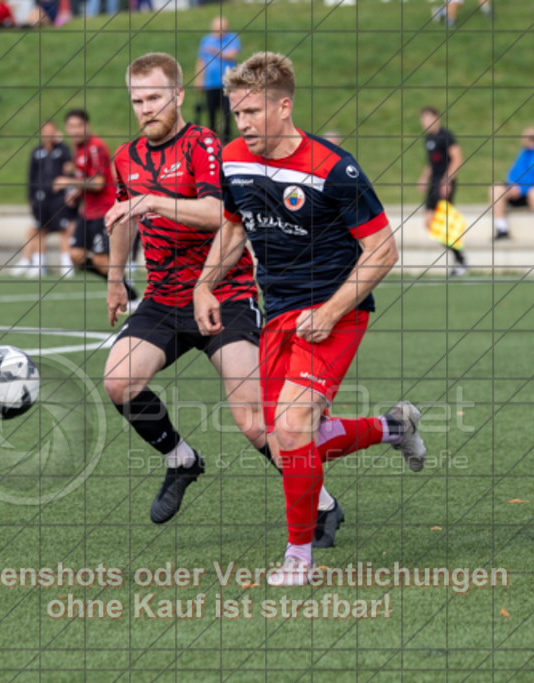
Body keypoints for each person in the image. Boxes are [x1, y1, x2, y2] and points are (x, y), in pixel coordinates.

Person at [195, 52, 427, 586]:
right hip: (278, 313)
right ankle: (395, 427)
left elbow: (382, 251)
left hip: (335, 310)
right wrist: (204, 284)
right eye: (237, 113)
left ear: (284, 106)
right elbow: (233, 229)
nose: (242, 123)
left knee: (295, 425)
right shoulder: (232, 159)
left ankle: (298, 556)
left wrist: (330, 311)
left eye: (252, 111)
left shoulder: (334, 168)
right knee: (287, 441)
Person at [103, 52, 344, 542]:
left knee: (253, 421)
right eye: (137, 101)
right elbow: (123, 217)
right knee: (119, 382)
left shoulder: (205, 145)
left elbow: (219, 214)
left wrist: (153, 201)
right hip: (163, 299)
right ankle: (181, 460)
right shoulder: (125, 158)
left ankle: (322, 504)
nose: (146, 109)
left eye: (154, 98)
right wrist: (113, 277)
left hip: (223, 294)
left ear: (177, 96)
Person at [55, 109, 138, 301]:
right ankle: (119, 281)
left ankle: (130, 295)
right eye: (71, 126)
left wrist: (68, 182)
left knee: (101, 260)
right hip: (87, 212)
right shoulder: (78, 149)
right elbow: (86, 179)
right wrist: (76, 193)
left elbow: (99, 183)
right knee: (76, 255)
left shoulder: (96, 147)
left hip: (103, 211)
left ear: (87, 126)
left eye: (79, 126)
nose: (75, 130)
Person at [18, 120, 74, 276]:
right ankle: (39, 264)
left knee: (64, 229)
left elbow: (70, 167)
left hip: (58, 198)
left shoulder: (62, 150)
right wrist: (31, 197)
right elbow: (31, 176)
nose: (48, 135)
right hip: (41, 199)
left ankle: (66, 264)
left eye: (51, 132)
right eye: (46, 132)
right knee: (40, 230)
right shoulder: (36, 152)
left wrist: (61, 143)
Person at [417, 106, 466, 275]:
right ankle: (460, 257)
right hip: (434, 183)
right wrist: (424, 178)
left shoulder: (446, 136)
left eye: (428, 118)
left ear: (437, 118)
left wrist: (447, 179)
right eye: (423, 119)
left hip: (444, 183)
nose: (425, 122)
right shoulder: (428, 139)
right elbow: (432, 163)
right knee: (429, 222)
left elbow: (457, 158)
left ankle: (460, 260)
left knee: (444, 222)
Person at [491, 127, 534, 242]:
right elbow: (512, 173)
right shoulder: (524, 152)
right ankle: (502, 229)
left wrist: (522, 189)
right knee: (496, 188)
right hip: (520, 193)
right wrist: (512, 186)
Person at [195, 16, 240, 143]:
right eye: (217, 29)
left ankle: (227, 139)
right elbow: (201, 61)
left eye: (222, 28)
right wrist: (199, 79)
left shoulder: (232, 38)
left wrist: (215, 51)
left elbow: (232, 55)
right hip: (210, 83)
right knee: (211, 112)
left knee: (227, 111)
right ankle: (212, 138)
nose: (219, 31)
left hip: (226, 83)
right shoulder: (206, 40)